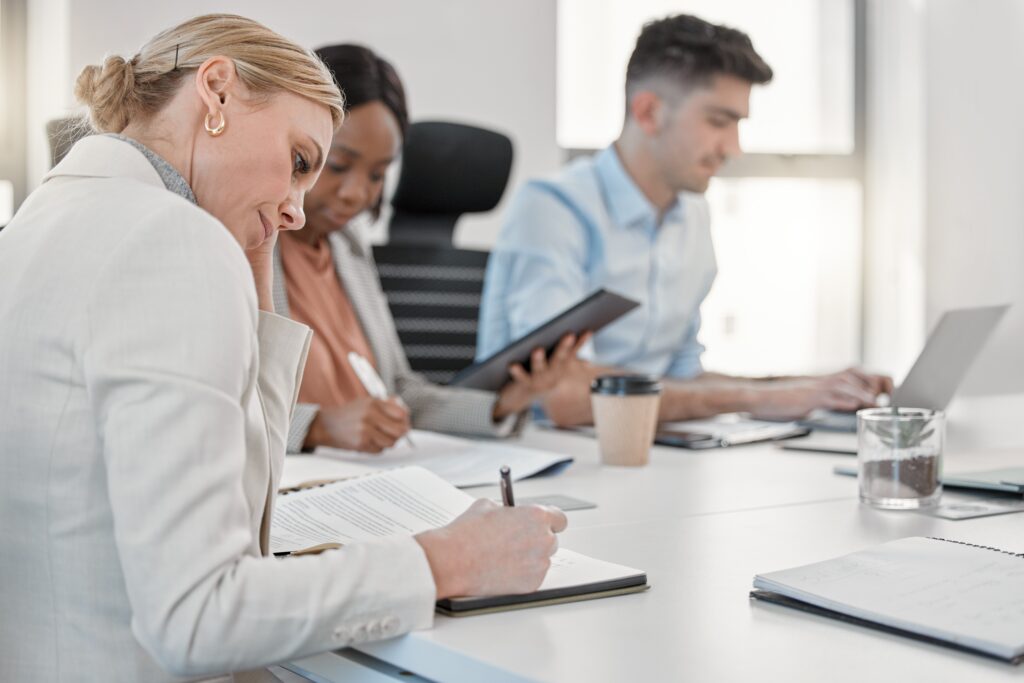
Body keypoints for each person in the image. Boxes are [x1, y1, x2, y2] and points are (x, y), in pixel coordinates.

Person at [0, 15, 566, 681]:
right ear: (216, 91)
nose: (298, 208)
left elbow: (242, 521)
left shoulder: (35, 226)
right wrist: (448, 559)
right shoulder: (170, 241)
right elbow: (200, 614)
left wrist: (255, 272)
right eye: (300, 162)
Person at [477, 14, 893, 427]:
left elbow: (684, 380)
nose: (734, 148)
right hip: (551, 461)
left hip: (655, 455)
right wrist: (762, 397)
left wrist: (814, 386)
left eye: (738, 125)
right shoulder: (554, 210)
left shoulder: (691, 215)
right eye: (718, 121)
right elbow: (561, 397)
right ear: (648, 113)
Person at [277, 43, 586, 454]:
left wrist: (501, 406)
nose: (357, 194)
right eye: (338, 165)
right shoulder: (247, 243)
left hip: (376, 474)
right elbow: (224, 407)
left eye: (377, 174)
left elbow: (402, 395)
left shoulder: (347, 247)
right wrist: (316, 427)